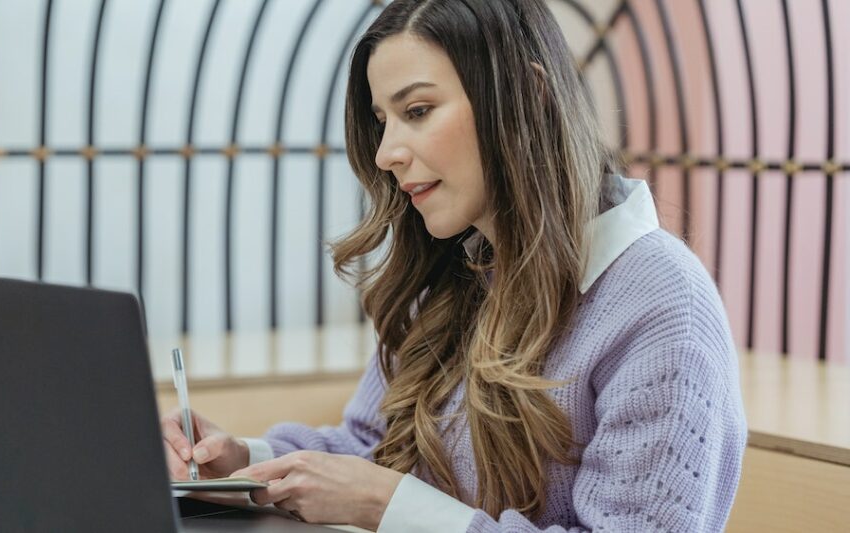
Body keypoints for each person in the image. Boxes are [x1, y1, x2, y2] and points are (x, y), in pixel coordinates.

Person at [161, 0, 747, 531]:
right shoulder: (452, 272)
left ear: (529, 95)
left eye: (417, 110)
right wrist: (244, 463)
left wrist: (389, 507)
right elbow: (376, 449)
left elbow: (384, 492)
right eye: (383, 120)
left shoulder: (664, 308)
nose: (387, 152)